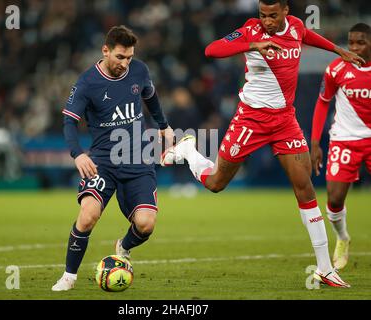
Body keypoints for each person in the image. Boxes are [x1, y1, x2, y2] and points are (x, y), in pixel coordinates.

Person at [161, 0, 365, 288]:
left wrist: (337, 49)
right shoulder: (250, 31)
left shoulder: (295, 27)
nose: (266, 21)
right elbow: (212, 50)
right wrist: (252, 45)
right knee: (216, 183)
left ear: (285, 12)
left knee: (304, 184)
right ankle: (188, 150)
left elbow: (309, 36)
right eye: (262, 15)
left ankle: (324, 268)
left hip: (284, 121)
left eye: (272, 15)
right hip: (250, 120)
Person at [52, 25, 174, 291]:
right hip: (103, 164)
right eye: (120, 57)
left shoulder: (140, 70)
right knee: (87, 216)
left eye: (129, 57)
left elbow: (151, 98)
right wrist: (77, 154)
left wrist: (163, 126)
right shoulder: (87, 83)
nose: (125, 63)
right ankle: (69, 277)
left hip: (138, 162)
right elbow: (69, 122)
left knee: (145, 224)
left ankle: (123, 246)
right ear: (105, 51)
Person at [310, 23, 371, 270]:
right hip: (344, 138)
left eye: (361, 42)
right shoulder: (335, 69)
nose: (354, 47)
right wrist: (314, 143)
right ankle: (343, 238)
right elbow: (323, 102)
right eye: (351, 42)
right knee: (334, 200)